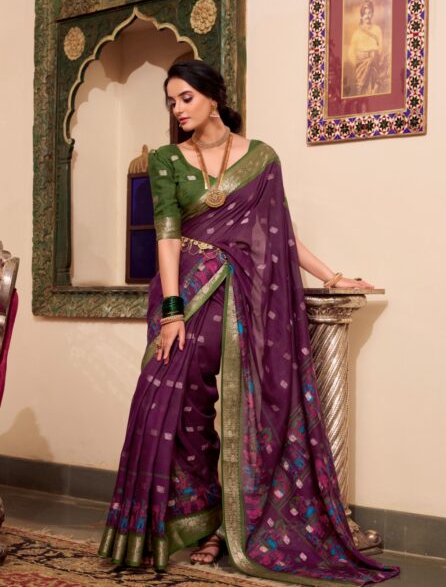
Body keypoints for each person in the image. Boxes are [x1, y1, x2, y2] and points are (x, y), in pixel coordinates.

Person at [98, 61, 399, 585]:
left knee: (250, 411)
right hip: (186, 293)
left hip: (245, 297)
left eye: (186, 98)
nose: (178, 109)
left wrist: (331, 276)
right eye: (171, 101)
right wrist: (172, 310)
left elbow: (280, 232)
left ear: (213, 97)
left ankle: (235, 527)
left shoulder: (261, 159)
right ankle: (195, 519)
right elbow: (167, 235)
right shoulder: (167, 159)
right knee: (173, 407)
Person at [347, 0, 389, 96]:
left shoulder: (377, 30)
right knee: (362, 92)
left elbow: (380, 48)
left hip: (374, 64)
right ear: (361, 15)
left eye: (369, 13)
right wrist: (359, 63)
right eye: (365, 13)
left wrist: (375, 57)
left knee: (374, 91)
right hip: (361, 67)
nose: (367, 16)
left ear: (372, 14)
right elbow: (351, 53)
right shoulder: (356, 33)